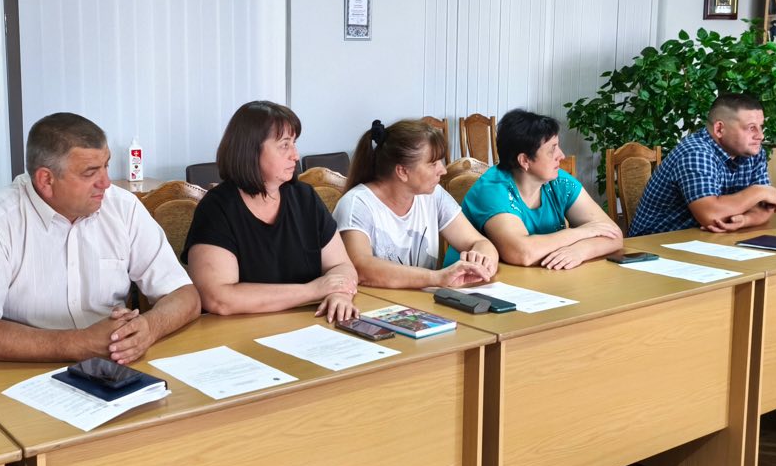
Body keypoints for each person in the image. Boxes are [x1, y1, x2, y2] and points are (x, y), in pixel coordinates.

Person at [0, 112, 199, 363]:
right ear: (46, 180)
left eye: (106, 166)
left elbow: (184, 295)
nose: (106, 183)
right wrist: (79, 344)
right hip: (23, 367)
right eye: (90, 173)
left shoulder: (123, 207)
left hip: (114, 362)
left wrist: (148, 328)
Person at [185, 100, 359, 323]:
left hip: (310, 323)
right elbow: (219, 298)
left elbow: (341, 265)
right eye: (284, 145)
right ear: (251, 150)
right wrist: (313, 290)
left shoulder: (304, 197)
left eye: (294, 143)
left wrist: (339, 294)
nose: (295, 155)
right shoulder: (217, 208)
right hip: (241, 330)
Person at [334, 118, 499, 288]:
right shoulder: (357, 204)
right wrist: (437, 278)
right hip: (375, 302)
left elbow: (479, 242)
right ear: (402, 171)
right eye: (433, 164)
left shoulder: (434, 195)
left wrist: (483, 259)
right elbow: (361, 267)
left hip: (423, 301)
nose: (443, 170)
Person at [459, 109, 623, 270]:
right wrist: (581, 233)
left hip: (538, 279)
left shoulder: (559, 181)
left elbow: (614, 235)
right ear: (524, 160)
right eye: (552, 149)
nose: (561, 155)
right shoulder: (492, 190)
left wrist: (580, 251)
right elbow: (523, 253)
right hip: (476, 282)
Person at [628, 93, 776, 237]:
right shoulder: (696, 152)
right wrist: (758, 192)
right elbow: (711, 216)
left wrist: (745, 220)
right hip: (653, 244)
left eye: (761, 126)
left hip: (704, 240)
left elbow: (767, 206)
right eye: (751, 128)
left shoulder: (752, 152)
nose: (760, 136)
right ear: (719, 129)